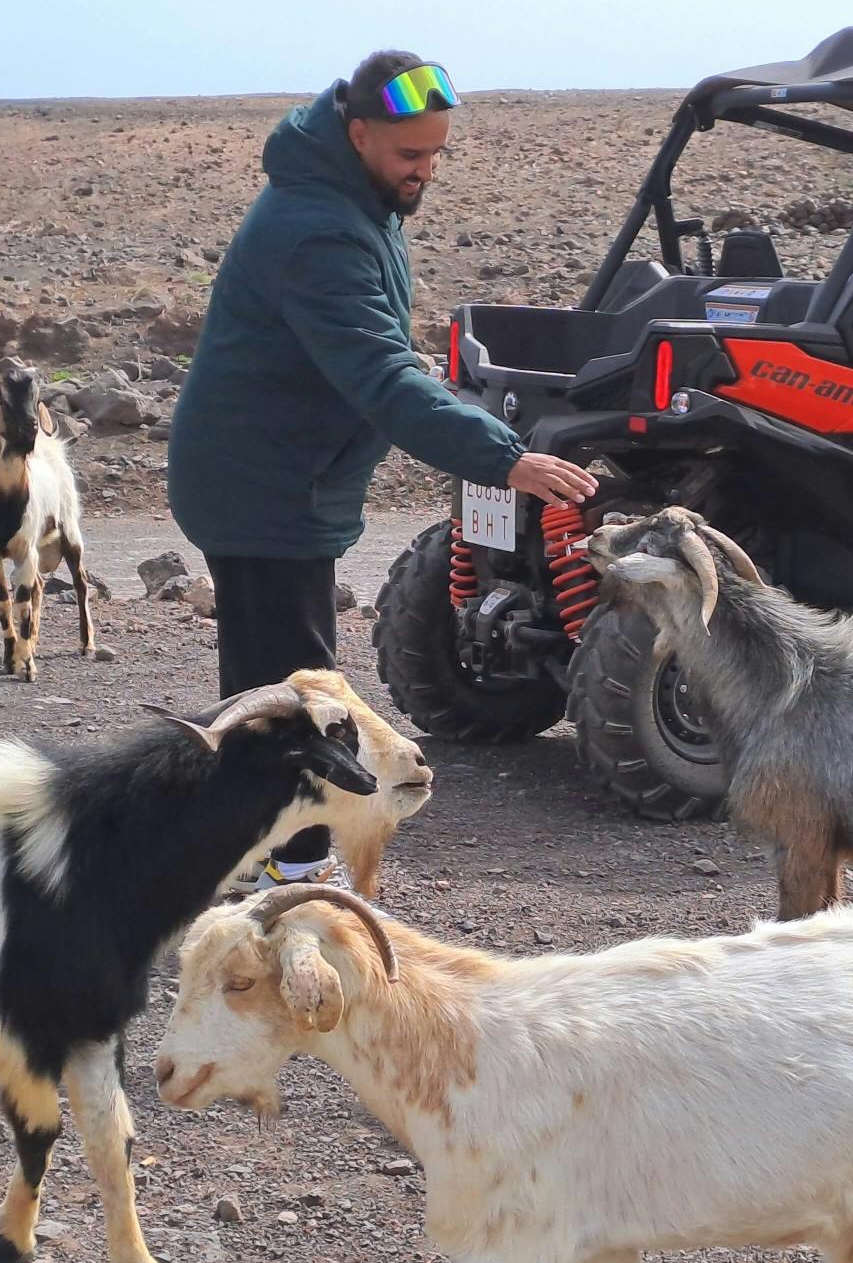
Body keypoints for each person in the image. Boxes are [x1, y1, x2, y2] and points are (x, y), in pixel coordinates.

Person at [167, 50, 595, 888]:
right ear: (357, 132)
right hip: (264, 487)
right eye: (409, 156)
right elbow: (379, 376)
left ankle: (246, 848)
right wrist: (505, 459)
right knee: (296, 692)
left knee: (272, 686)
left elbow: (380, 358)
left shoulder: (350, 197)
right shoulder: (318, 229)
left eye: (437, 154)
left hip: (279, 476)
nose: (425, 172)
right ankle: (292, 870)